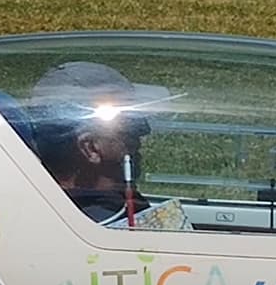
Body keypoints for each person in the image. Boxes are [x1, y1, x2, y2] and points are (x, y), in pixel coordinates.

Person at [27, 61, 170, 223]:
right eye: (130, 127)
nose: (144, 132)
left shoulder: (53, 213)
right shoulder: (104, 226)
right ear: (91, 149)